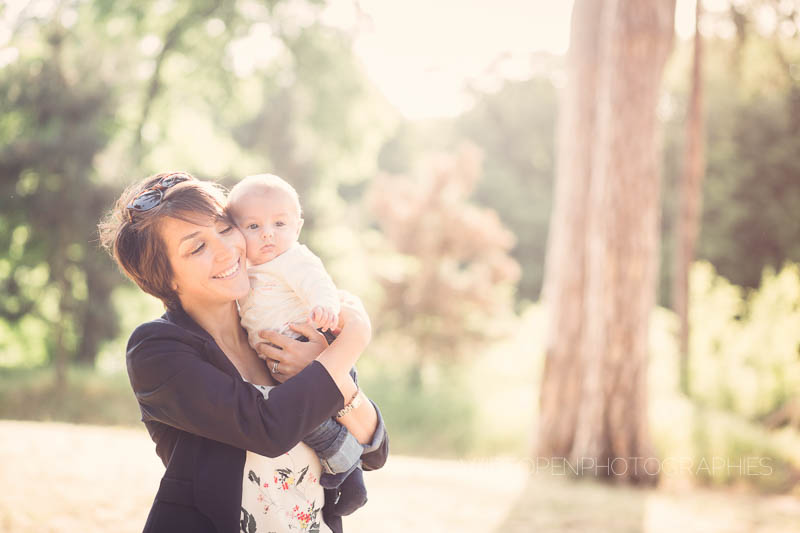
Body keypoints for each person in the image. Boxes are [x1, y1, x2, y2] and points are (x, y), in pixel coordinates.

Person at [98, 171, 388, 533]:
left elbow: (373, 451)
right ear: (165, 278)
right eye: (197, 247)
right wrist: (354, 340)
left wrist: (329, 372)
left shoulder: (278, 323)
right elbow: (267, 428)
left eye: (224, 229)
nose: (225, 250)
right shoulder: (156, 350)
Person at [226, 173, 369, 515]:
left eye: (279, 223)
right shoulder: (242, 270)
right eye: (254, 226)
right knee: (303, 419)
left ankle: (348, 475)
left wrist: (325, 306)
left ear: (297, 227)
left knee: (314, 421)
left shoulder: (292, 259)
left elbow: (317, 282)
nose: (268, 234)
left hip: (311, 343)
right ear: (235, 231)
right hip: (279, 359)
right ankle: (345, 472)